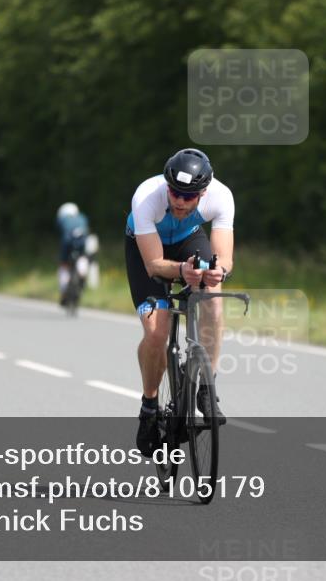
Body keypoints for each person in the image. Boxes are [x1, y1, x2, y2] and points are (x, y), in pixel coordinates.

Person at [124, 148, 234, 455]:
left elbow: (224, 258)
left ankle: (206, 388)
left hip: (188, 239)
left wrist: (217, 272)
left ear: (204, 193)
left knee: (213, 300)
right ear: (166, 186)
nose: (180, 202)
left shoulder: (221, 197)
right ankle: (149, 407)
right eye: (175, 193)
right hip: (147, 250)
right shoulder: (147, 196)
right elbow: (154, 264)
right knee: (157, 333)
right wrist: (182, 271)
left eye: (189, 196)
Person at [56, 202, 90, 304]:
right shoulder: (82, 217)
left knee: (64, 265)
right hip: (82, 241)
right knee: (83, 257)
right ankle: (82, 279)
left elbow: (60, 233)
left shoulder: (61, 219)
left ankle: (64, 292)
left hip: (67, 243)